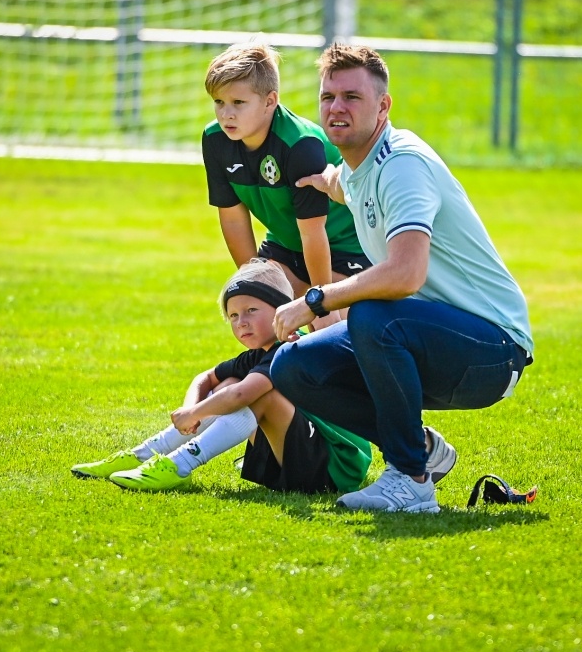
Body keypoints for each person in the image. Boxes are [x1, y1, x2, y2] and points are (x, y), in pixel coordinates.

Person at [268, 44, 533, 514]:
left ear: (383, 106)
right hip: (432, 341)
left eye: (352, 97)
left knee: (375, 313)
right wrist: (318, 180)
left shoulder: (402, 163)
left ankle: (411, 481)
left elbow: (406, 275)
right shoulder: (357, 167)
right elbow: (342, 183)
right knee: (292, 366)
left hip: (494, 351)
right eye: (328, 97)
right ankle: (423, 450)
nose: (336, 108)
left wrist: (314, 300)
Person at [70, 258, 372, 496]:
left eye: (252, 310)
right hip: (304, 460)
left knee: (257, 393)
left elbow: (242, 397)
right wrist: (191, 412)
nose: (242, 322)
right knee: (228, 383)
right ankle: (144, 455)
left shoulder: (290, 346)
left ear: (282, 309)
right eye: (234, 316)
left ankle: (179, 464)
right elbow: (206, 378)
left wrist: (195, 412)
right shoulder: (259, 352)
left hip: (336, 468)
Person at [201, 44, 371, 323]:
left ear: (270, 101)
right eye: (219, 102)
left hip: (345, 248)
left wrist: (321, 304)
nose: (225, 114)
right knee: (254, 309)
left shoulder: (300, 145)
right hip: (285, 246)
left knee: (333, 325)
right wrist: (252, 282)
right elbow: (232, 218)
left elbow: (313, 233)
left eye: (238, 103)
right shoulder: (215, 139)